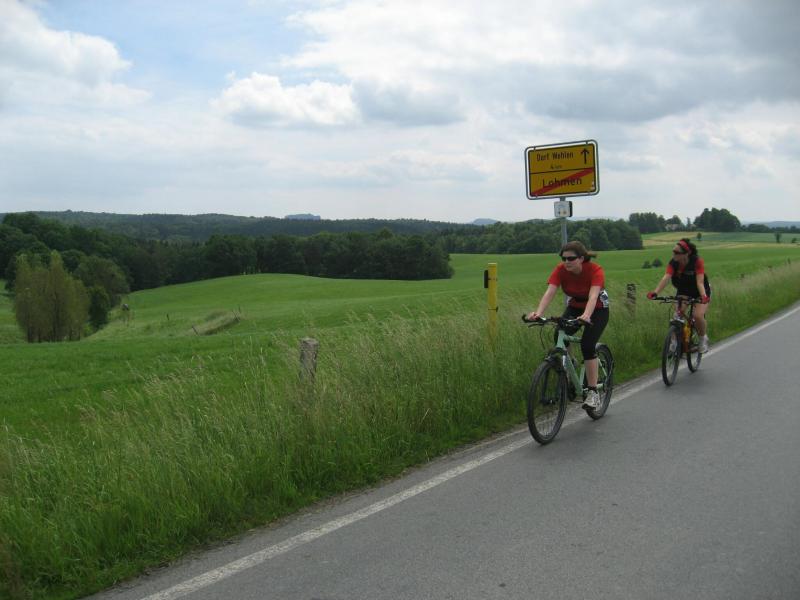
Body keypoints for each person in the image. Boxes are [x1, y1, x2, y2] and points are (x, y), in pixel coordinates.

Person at [526, 241, 610, 409]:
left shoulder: (595, 270)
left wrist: (586, 316)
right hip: (575, 306)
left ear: (581, 258)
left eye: (571, 258)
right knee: (559, 334)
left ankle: (593, 392)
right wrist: (538, 313)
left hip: (597, 309)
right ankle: (571, 364)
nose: (566, 262)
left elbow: (593, 296)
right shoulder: (561, 270)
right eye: (563, 258)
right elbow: (550, 291)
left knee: (587, 345)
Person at [646, 238, 711, 352]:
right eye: (673, 251)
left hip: (700, 292)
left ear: (686, 254)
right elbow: (666, 277)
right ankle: (674, 342)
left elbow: (700, 282)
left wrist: (703, 297)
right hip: (684, 291)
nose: (674, 254)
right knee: (677, 316)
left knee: (697, 316)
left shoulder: (697, 261)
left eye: (677, 252)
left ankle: (702, 339)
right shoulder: (673, 263)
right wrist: (655, 292)